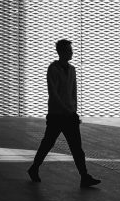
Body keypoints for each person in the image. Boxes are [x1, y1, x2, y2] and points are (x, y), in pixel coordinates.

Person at [27, 39, 101, 188]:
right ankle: (34, 168)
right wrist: (66, 110)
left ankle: (84, 176)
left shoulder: (72, 69)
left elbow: (74, 92)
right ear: (61, 52)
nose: (71, 52)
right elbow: (53, 93)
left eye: (71, 50)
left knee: (76, 148)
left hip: (69, 114)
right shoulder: (53, 69)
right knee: (48, 143)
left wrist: (73, 110)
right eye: (68, 50)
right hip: (56, 114)